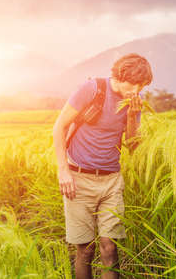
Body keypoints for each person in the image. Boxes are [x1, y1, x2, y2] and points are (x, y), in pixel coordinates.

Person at [53, 53, 153, 279]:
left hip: (111, 181)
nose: (137, 91)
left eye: (142, 86)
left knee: (110, 247)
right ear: (120, 75)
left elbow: (132, 146)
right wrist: (63, 171)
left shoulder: (134, 103)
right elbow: (58, 127)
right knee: (85, 250)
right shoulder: (92, 89)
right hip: (78, 180)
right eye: (134, 84)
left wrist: (132, 116)